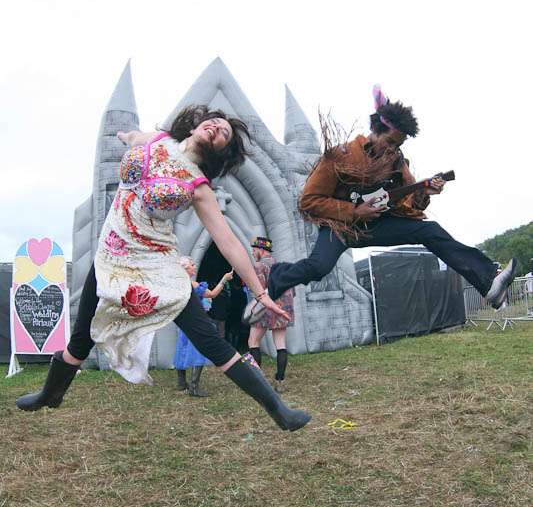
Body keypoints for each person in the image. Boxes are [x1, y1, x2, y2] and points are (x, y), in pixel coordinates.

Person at [16, 106, 311, 433]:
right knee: (81, 340)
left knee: (209, 341)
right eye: (214, 122)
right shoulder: (158, 140)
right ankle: (50, 395)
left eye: (224, 134)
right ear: (196, 126)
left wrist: (260, 292)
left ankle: (279, 410)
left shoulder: (199, 186)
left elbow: (229, 242)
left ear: (220, 152)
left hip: (157, 266)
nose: (217, 127)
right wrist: (126, 135)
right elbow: (133, 138)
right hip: (113, 256)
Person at [245, 85, 517, 324]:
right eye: (389, 142)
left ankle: (488, 281)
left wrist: (426, 192)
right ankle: (276, 280)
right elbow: (308, 201)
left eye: (398, 145)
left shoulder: (396, 161)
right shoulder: (340, 156)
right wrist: (354, 211)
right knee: (318, 267)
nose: (392, 150)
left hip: (375, 226)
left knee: (429, 230)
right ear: (375, 130)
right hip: (340, 228)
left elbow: (412, 207)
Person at [174, 256, 233, 397]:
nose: (194, 267)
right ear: (185, 269)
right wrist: (224, 279)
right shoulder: (193, 285)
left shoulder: (177, 284)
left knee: (182, 348)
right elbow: (212, 294)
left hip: (183, 320)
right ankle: (194, 387)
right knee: (197, 350)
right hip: (195, 321)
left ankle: (182, 383)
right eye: (192, 265)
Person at [247, 237, 294, 393]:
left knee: (253, 341)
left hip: (265, 308)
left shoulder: (259, 266)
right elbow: (292, 291)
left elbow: (258, 291)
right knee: (280, 344)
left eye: (254, 250)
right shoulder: (282, 266)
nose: (253, 253)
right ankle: (280, 381)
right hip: (284, 308)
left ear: (261, 250)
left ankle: (258, 383)